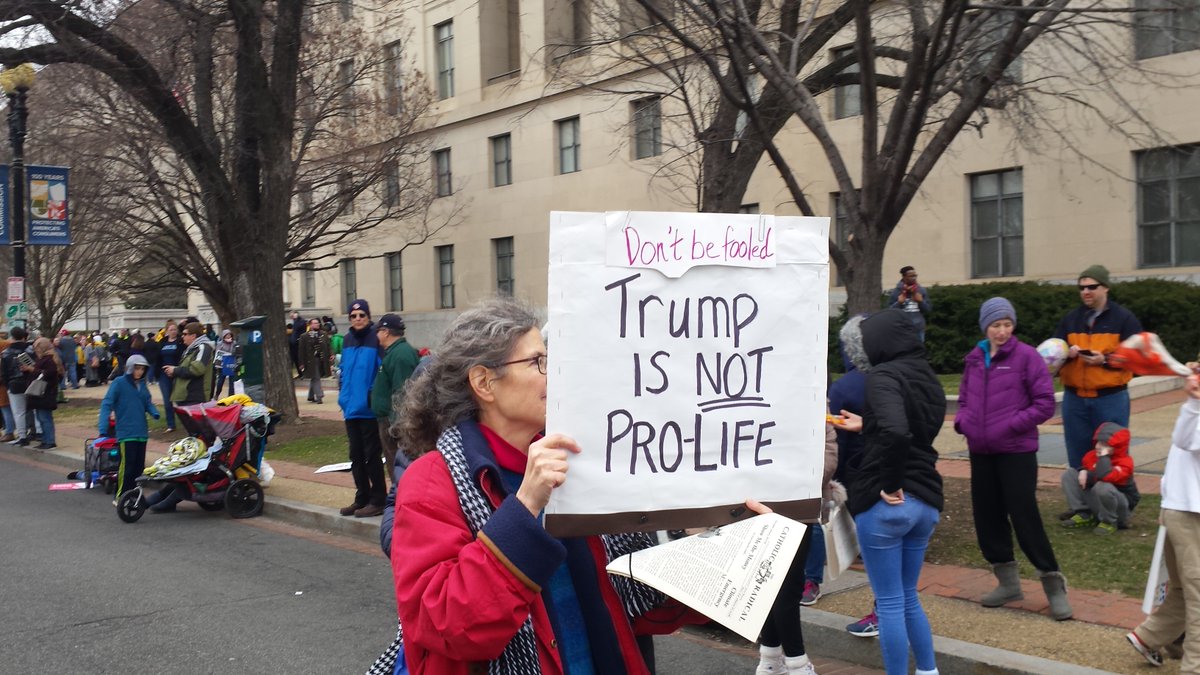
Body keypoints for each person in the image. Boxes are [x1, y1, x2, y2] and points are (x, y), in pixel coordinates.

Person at [391, 297, 696, 674]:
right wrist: (526, 505)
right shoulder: (430, 481)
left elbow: (642, 601)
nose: (556, 373)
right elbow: (447, 625)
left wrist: (695, 535)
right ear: (484, 382)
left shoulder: (578, 460)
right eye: (539, 362)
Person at [840, 309, 944, 675]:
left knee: (888, 603)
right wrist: (866, 424)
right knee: (908, 596)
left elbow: (898, 432)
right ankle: (929, 671)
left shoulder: (882, 376)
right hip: (926, 499)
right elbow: (912, 427)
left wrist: (889, 483)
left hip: (888, 503)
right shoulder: (926, 374)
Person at [954, 298, 1071, 620]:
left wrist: (1010, 426)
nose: (1003, 331)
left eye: (1007, 324)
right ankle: (1007, 582)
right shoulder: (976, 358)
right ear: (985, 327)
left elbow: (1045, 403)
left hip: (1016, 452)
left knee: (1024, 516)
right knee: (987, 517)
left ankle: (1052, 583)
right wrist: (963, 421)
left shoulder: (1027, 357)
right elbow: (964, 398)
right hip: (981, 452)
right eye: (996, 325)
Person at [1126, 371, 1200, 669]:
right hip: (1188, 511)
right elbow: (1184, 441)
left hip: (1179, 506)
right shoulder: (1194, 411)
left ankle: (1148, 637)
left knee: (1185, 588)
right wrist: (1193, 403)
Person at [755, 417, 838, 675]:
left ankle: (769, 659)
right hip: (795, 511)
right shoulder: (811, 417)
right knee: (786, 589)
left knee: (769, 586)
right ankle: (797, 664)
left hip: (759, 508)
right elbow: (826, 465)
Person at [1053, 264, 1142, 472]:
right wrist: (1067, 354)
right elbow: (1053, 355)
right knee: (1078, 457)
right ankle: (1081, 504)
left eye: (1092, 287)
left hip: (1110, 399)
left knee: (1113, 454)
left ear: (1105, 288)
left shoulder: (1124, 319)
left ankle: (1113, 502)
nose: (1086, 292)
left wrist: (1105, 360)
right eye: (1082, 288)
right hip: (1074, 399)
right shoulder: (1071, 319)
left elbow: (1137, 358)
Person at [338, 300, 386, 518]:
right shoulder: (347, 340)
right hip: (350, 408)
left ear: (368, 317)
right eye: (354, 315)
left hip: (368, 409)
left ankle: (378, 499)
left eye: (361, 315)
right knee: (355, 456)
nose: (357, 319)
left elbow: (381, 372)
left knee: (371, 456)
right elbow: (343, 371)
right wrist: (343, 398)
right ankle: (362, 497)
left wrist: (372, 396)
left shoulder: (376, 339)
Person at [97, 354, 159, 501]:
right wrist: (103, 427)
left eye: (142, 369)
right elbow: (107, 403)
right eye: (137, 368)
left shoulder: (143, 385)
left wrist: (154, 412)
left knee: (138, 468)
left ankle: (134, 495)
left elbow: (147, 402)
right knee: (127, 467)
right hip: (126, 433)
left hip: (141, 432)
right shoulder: (119, 383)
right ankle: (120, 496)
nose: (140, 372)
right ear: (130, 368)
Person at [1061, 422, 1140, 535]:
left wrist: (1103, 458)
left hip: (1119, 508)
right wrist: (1082, 470)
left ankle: (1110, 522)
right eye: (1098, 442)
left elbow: (1106, 476)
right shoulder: (1091, 456)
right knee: (1070, 474)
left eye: (1104, 444)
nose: (1098, 446)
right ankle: (1084, 513)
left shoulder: (1125, 463)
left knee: (1103, 486)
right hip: (1098, 502)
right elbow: (1087, 468)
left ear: (1116, 446)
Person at [370, 313, 420, 485]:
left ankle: (401, 504)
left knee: (398, 467)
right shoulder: (394, 353)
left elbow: (403, 391)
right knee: (394, 466)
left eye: (378, 331)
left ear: (385, 332)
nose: (377, 335)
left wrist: (396, 423)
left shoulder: (400, 355)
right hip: (389, 420)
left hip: (394, 424)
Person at [165, 322, 215, 410]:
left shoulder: (203, 347)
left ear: (193, 336)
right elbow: (187, 368)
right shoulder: (191, 349)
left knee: (196, 424)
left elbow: (197, 369)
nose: (182, 336)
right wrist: (175, 372)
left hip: (195, 398)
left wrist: (175, 370)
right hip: (187, 397)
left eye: (185, 334)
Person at [26, 337, 62, 450]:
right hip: (44, 393)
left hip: (46, 393)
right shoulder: (47, 358)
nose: (36, 350)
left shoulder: (49, 360)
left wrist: (32, 370)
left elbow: (48, 374)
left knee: (45, 418)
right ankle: (46, 440)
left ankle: (50, 441)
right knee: (42, 418)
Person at [3, 327, 33, 446]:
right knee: (31, 409)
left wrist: (7, 384)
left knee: (18, 412)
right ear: (23, 336)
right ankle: (36, 432)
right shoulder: (29, 350)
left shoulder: (6, 353)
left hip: (14, 384)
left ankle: (22, 436)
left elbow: (4, 372)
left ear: (12, 337)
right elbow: (33, 366)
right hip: (29, 382)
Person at [886, 266, 932, 342]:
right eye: (911, 276)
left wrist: (920, 301)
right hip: (902, 329)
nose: (914, 278)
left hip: (918, 329)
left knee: (918, 352)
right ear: (904, 277)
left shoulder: (921, 290)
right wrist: (899, 303)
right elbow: (889, 311)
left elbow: (928, 310)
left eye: (915, 276)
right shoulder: (896, 292)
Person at [154, 321, 183, 432]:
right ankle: (171, 424)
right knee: (167, 400)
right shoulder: (162, 342)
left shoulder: (180, 342)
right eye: (171, 330)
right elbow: (157, 358)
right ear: (166, 331)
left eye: (175, 329)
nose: (173, 332)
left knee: (180, 399)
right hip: (163, 374)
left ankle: (187, 421)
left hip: (177, 372)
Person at [298, 319, 331, 404]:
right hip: (310, 361)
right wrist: (301, 363)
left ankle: (311, 396)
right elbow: (301, 351)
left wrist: (331, 354)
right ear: (310, 325)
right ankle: (319, 396)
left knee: (315, 377)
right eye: (315, 323)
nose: (317, 324)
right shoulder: (304, 336)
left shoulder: (323, 334)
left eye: (318, 323)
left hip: (322, 359)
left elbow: (328, 345)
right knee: (316, 377)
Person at [214, 329, 238, 398]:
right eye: (227, 336)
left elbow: (236, 352)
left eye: (229, 335)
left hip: (231, 363)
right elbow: (218, 353)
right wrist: (217, 364)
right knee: (221, 380)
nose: (228, 337)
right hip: (222, 364)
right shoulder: (220, 344)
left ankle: (231, 396)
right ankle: (217, 394)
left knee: (232, 381)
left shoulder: (234, 343)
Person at [289, 310, 305, 378]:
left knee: (298, 359)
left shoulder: (300, 322)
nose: (292, 317)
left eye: (292, 316)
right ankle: (300, 373)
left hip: (298, 343)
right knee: (294, 359)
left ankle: (302, 373)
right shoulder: (295, 322)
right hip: (293, 344)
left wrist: (297, 318)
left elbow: (299, 327)